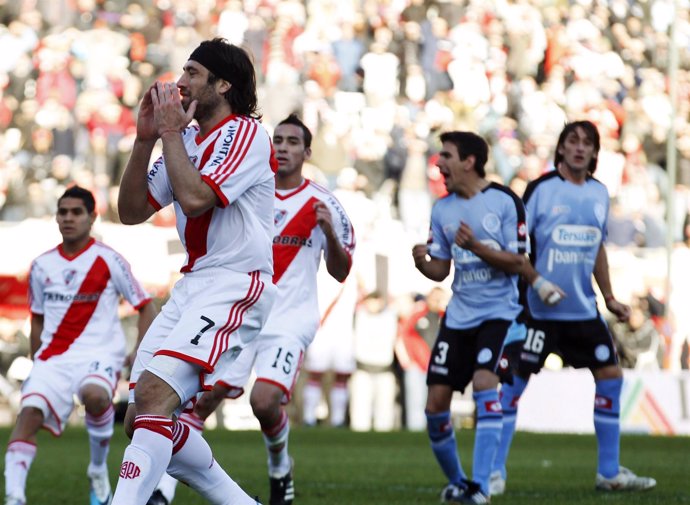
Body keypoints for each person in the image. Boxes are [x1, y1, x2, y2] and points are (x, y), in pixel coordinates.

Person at [148, 113, 355, 505]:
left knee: (263, 402)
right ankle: (161, 490)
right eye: (277, 139)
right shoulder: (248, 185)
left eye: (293, 142)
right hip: (240, 308)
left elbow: (342, 272)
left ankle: (279, 466)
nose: (282, 147)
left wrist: (328, 232)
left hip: (289, 319)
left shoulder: (323, 203)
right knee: (199, 400)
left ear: (307, 152)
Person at [112, 38, 277, 505]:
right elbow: (130, 211)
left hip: (235, 282)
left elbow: (197, 198)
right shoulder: (184, 137)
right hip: (196, 284)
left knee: (152, 398)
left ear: (223, 85)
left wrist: (167, 134)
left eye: (192, 74)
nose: (179, 83)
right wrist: (146, 139)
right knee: (138, 418)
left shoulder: (245, 133)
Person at [490, 120, 656, 496]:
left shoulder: (599, 193)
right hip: (536, 311)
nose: (580, 148)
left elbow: (596, 246)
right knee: (512, 386)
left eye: (587, 143)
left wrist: (610, 296)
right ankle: (494, 471)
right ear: (561, 149)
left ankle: (609, 472)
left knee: (611, 376)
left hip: (582, 310)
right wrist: (537, 282)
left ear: (595, 153)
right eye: (572, 141)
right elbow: (518, 247)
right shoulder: (541, 190)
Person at [411, 131, 563, 504]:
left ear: (469, 161)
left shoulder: (505, 201)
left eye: (446, 155)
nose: (439, 163)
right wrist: (422, 262)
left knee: (484, 385)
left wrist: (476, 246)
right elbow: (442, 270)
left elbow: (518, 262)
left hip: (498, 315)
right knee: (434, 406)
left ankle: (481, 486)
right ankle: (460, 483)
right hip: (458, 316)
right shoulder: (442, 208)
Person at [4, 185, 157, 505]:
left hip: (99, 354)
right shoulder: (42, 265)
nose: (68, 218)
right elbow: (38, 319)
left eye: (76, 212)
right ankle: (14, 497)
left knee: (96, 395)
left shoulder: (109, 259)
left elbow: (145, 305)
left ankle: (98, 469)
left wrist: (139, 354)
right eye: (63, 212)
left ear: (92, 218)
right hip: (54, 357)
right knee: (28, 414)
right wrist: (38, 362)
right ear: (56, 218)